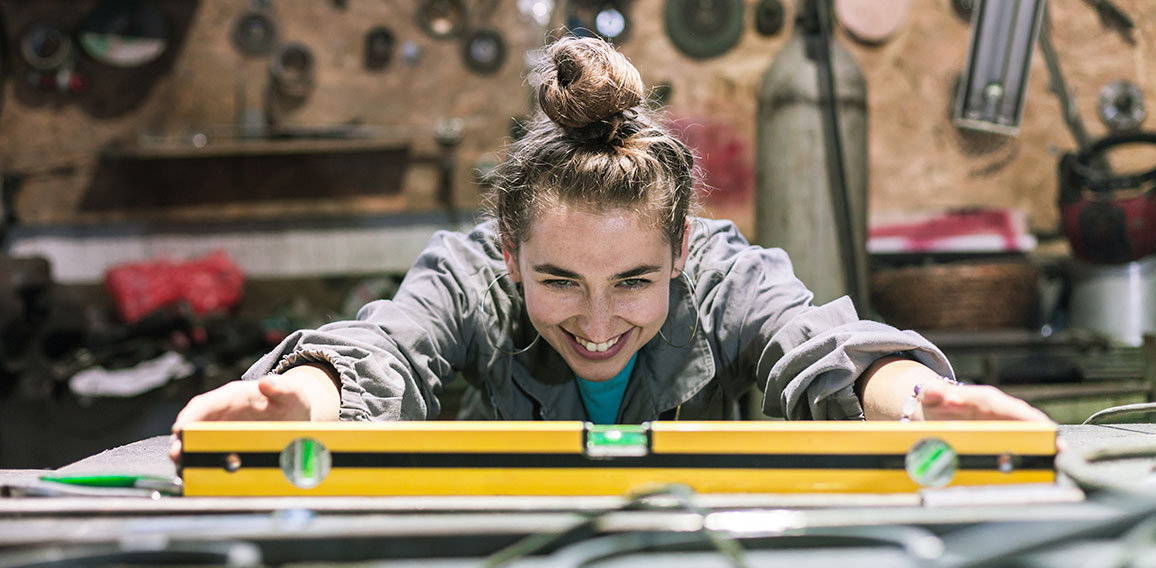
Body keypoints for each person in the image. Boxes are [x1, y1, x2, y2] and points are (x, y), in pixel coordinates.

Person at [170, 36, 1048, 460]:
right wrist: (308, 398)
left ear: (680, 250)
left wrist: (920, 402)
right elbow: (390, 344)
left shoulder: (724, 274)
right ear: (509, 255)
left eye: (632, 280)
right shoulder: (469, 274)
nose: (597, 324)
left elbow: (816, 347)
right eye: (557, 279)